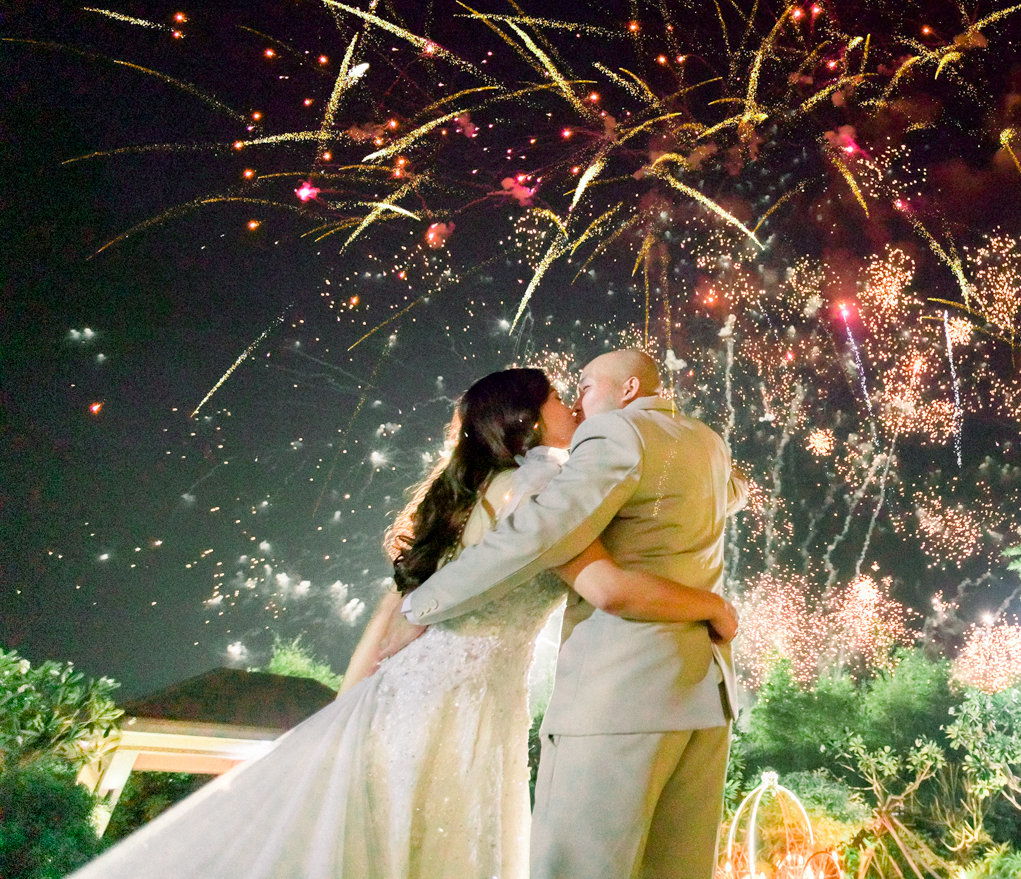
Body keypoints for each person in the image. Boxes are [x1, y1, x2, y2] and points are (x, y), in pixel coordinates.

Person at [72, 367, 736, 879]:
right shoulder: (542, 489)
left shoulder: (472, 489)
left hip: (413, 688)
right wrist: (712, 605)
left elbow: (393, 610)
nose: (575, 408)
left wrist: (346, 706)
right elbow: (606, 587)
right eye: (561, 398)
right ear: (528, 420)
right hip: (464, 700)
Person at [385, 349, 746, 879]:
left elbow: (539, 534)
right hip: (705, 696)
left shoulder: (615, 433)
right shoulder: (708, 443)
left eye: (585, 388)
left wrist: (423, 604)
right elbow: (727, 494)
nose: (577, 404)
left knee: (576, 867)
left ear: (627, 391)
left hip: (618, 695)